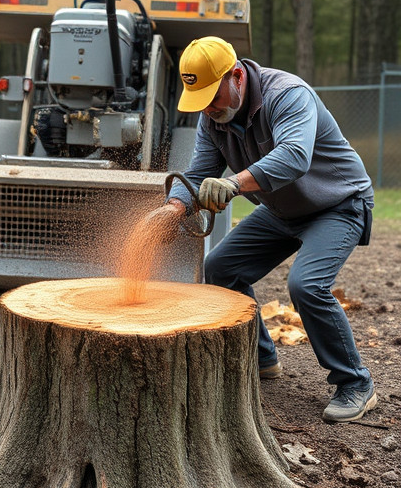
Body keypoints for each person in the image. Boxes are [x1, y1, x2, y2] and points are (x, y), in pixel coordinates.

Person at [160, 36, 376, 423]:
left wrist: (233, 184)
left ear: (237, 76)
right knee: (221, 268)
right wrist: (173, 208)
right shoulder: (211, 119)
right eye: (201, 101)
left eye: (213, 96)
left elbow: (294, 156)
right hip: (282, 209)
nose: (209, 109)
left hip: (337, 204)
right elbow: (196, 173)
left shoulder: (288, 94)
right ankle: (262, 360)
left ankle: (356, 384)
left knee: (306, 286)